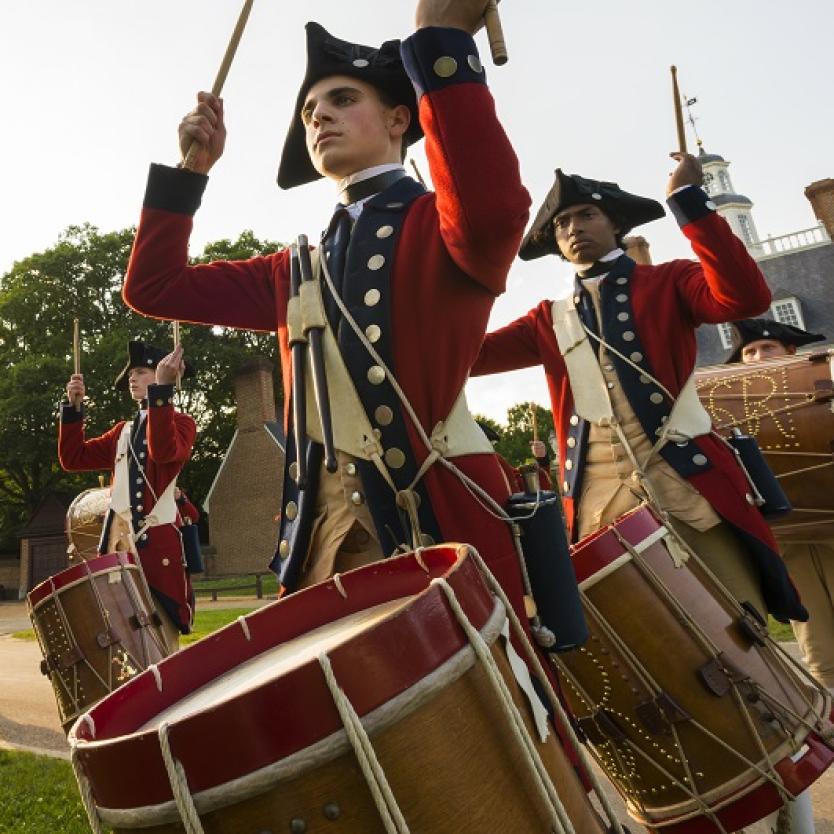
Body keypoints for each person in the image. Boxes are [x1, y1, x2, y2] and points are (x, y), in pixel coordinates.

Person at [120, 1, 540, 622]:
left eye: (343, 99)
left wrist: (439, 44)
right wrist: (193, 169)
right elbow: (154, 286)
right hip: (316, 542)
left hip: (437, 524)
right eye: (311, 110)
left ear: (401, 118)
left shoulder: (443, 227)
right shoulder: (295, 268)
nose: (319, 115)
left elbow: (494, 210)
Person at [473, 160, 815, 833]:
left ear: (616, 224)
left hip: (690, 492)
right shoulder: (551, 319)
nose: (574, 229)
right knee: (653, 667)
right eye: (563, 223)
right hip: (602, 511)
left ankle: (795, 808)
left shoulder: (669, 283)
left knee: (741, 641)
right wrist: (444, 287)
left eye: (586, 216)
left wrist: (689, 203)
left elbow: (744, 295)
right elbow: (462, 354)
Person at [59, 340, 196, 649]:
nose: (132, 378)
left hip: (156, 544)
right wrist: (74, 407)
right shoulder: (122, 431)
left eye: (141, 371)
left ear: (164, 375)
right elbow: (73, 457)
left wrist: (163, 392)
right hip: (116, 542)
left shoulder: (182, 423)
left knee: (161, 636)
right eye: (132, 373)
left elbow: (163, 452)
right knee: (120, 632)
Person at [730, 317, 834, 693]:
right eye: (750, 352)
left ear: (790, 353)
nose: (758, 357)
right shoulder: (728, 411)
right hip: (787, 539)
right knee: (818, 647)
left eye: (767, 348)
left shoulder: (823, 390)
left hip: (830, 525)